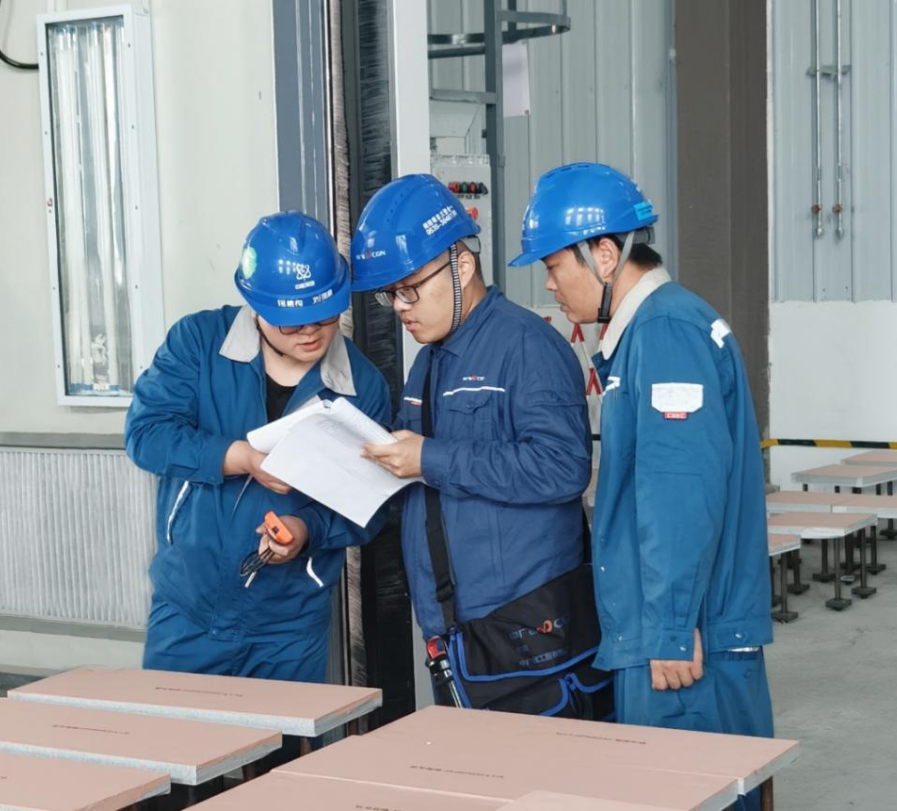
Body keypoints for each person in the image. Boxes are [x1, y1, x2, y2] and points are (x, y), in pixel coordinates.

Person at [510, 162, 772, 806]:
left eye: (554, 265)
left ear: (604, 254)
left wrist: (672, 630)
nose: (550, 284)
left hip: (681, 646)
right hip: (670, 631)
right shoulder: (652, 332)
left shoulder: (664, 333)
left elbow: (679, 494)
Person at [353, 174, 608, 717]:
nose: (399, 307)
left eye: (409, 288)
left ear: (462, 267)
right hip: (454, 630)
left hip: (527, 629)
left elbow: (562, 467)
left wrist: (429, 458)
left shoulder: (526, 345)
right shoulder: (428, 361)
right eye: (389, 294)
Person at [126, 211, 390, 684]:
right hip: (188, 610)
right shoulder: (198, 344)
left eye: (326, 316)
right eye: (292, 322)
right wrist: (238, 458)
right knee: (171, 729)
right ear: (256, 307)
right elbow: (146, 435)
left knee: (285, 736)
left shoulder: (362, 386)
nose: (311, 332)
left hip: (288, 626)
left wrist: (307, 529)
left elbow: (370, 504)